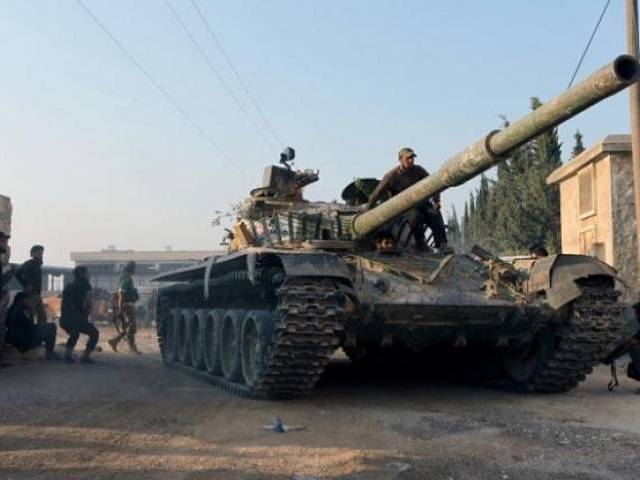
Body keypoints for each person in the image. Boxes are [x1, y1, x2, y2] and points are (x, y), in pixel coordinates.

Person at [367, 147, 447, 249]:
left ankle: (442, 244)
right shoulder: (391, 176)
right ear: (400, 159)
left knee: (435, 214)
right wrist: (368, 210)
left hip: (421, 202)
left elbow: (433, 184)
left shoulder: (419, 170)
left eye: (412, 158)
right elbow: (376, 194)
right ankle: (420, 244)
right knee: (416, 217)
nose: (411, 161)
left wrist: (436, 201)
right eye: (408, 158)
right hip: (403, 206)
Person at [60, 266, 99, 364]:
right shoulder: (86, 285)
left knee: (74, 334)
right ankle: (85, 357)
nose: (89, 275)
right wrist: (87, 311)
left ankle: (67, 355)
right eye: (88, 273)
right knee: (94, 333)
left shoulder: (68, 286)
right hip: (79, 319)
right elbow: (88, 302)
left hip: (65, 319)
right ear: (83, 274)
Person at [6, 292, 60, 359]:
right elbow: (29, 327)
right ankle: (49, 352)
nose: (30, 302)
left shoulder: (12, 309)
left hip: (15, 339)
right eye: (28, 300)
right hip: (23, 341)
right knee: (52, 327)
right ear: (23, 300)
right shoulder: (20, 312)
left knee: (45, 327)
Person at [108, 261, 141, 354]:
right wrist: (120, 310)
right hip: (127, 306)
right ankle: (131, 347)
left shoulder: (126, 278)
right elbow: (121, 294)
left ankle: (115, 341)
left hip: (127, 305)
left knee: (130, 327)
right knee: (131, 327)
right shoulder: (126, 279)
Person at [14, 245, 47, 325]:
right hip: (31, 294)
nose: (41, 255)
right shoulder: (29, 264)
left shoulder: (37, 265)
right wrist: (25, 284)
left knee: (41, 315)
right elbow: (17, 273)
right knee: (31, 315)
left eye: (42, 253)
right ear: (33, 254)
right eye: (39, 253)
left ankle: (38, 333)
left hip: (36, 294)